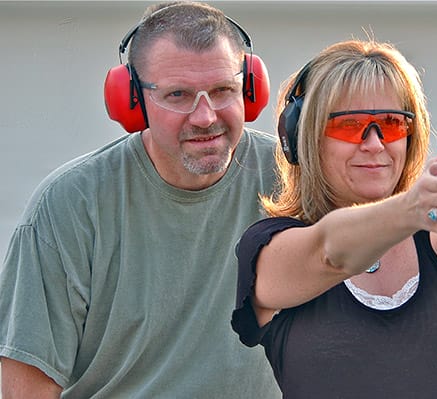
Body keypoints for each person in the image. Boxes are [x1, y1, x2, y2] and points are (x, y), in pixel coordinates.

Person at [0, 2, 281, 398]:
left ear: (250, 90)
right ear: (131, 100)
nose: (205, 116)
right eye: (178, 95)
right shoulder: (69, 207)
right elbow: (24, 389)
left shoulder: (294, 181)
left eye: (222, 91)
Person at [231, 39, 437, 399]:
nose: (374, 144)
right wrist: (417, 206)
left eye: (391, 124)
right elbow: (331, 252)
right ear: (305, 138)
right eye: (350, 125)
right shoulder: (272, 245)